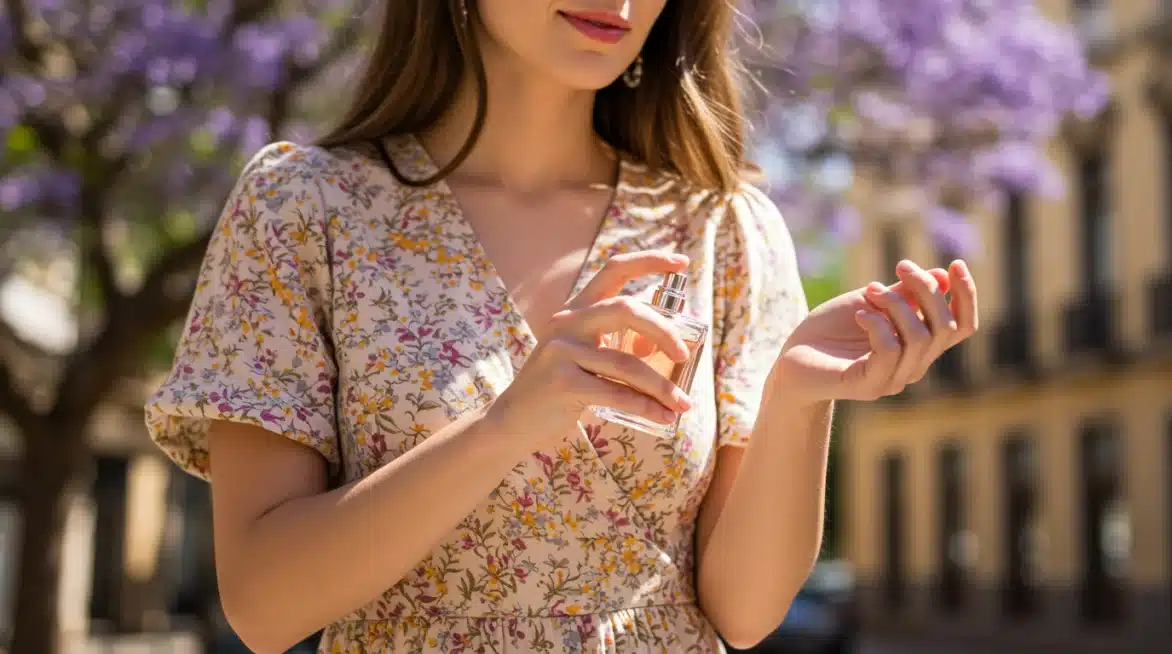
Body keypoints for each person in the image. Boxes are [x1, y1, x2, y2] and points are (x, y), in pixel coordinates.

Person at [145, 1, 979, 652]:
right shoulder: (302, 209)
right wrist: (508, 424)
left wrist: (797, 396)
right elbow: (261, 607)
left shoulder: (725, 229)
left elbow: (745, 613)